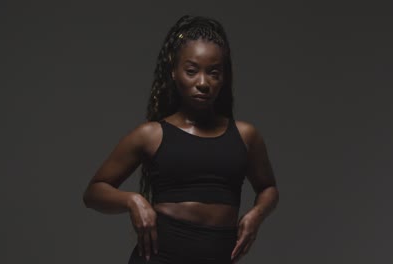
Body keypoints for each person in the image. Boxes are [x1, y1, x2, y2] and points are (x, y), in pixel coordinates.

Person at [83, 15, 279, 264]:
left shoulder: (246, 135)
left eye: (213, 73)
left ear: (224, 77)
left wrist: (257, 214)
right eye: (191, 71)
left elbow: (268, 188)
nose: (203, 82)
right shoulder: (151, 135)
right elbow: (93, 192)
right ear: (174, 73)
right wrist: (133, 201)